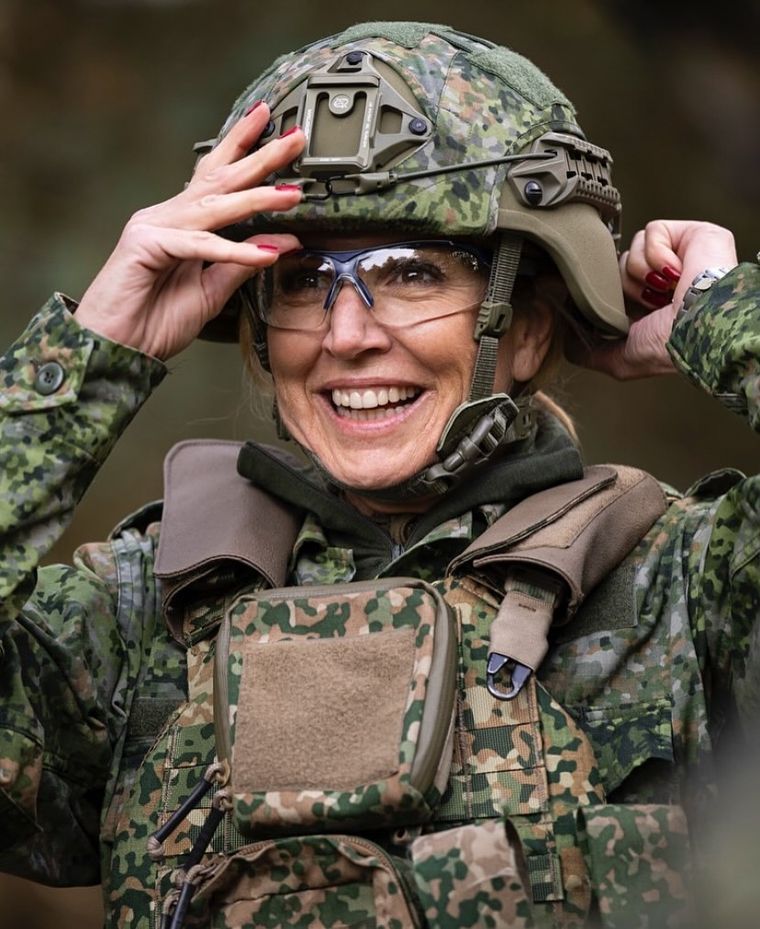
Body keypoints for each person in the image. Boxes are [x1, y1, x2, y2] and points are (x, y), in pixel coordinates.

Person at [0, 19, 753, 929]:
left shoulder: (689, 591)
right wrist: (89, 355)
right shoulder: (133, 624)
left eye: (408, 271)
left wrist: (719, 317)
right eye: (305, 279)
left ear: (528, 323)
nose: (348, 335)